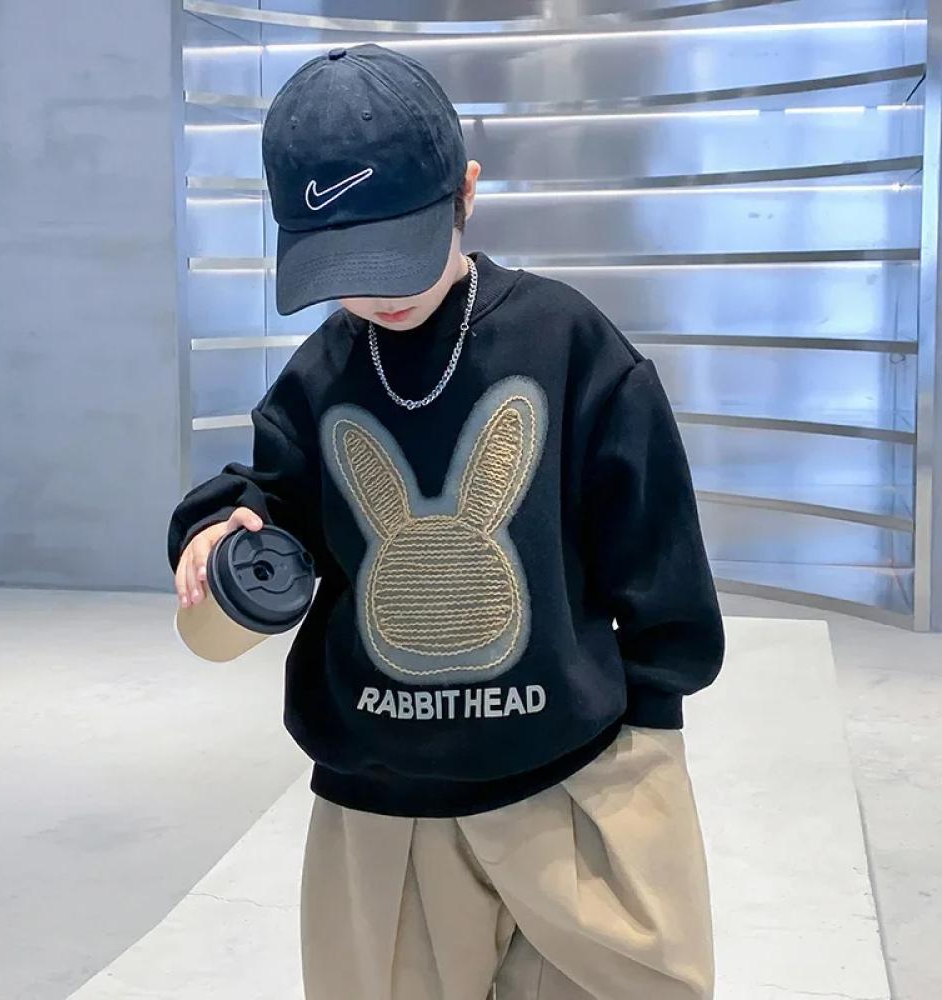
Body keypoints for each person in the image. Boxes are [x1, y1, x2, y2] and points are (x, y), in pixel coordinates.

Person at [167, 42, 725, 1000]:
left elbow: (653, 546)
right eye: (344, 265)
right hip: (381, 801)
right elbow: (272, 492)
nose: (379, 290)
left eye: (401, 250)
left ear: (466, 191)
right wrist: (224, 526)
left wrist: (647, 735)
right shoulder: (321, 374)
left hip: (574, 779)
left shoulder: (568, 343)